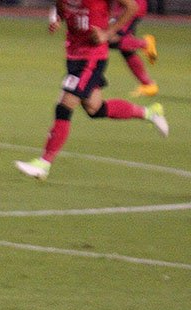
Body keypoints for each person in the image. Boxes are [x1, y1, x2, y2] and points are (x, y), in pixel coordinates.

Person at [14, 0, 168, 181]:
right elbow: (60, 7)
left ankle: (43, 164)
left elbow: (131, 6)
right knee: (95, 108)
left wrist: (108, 33)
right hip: (73, 55)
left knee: (64, 105)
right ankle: (150, 113)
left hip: (92, 57)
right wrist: (56, 18)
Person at [107, 0, 158, 97]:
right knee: (126, 50)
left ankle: (145, 44)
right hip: (125, 6)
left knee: (110, 39)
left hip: (131, 6)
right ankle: (148, 85)